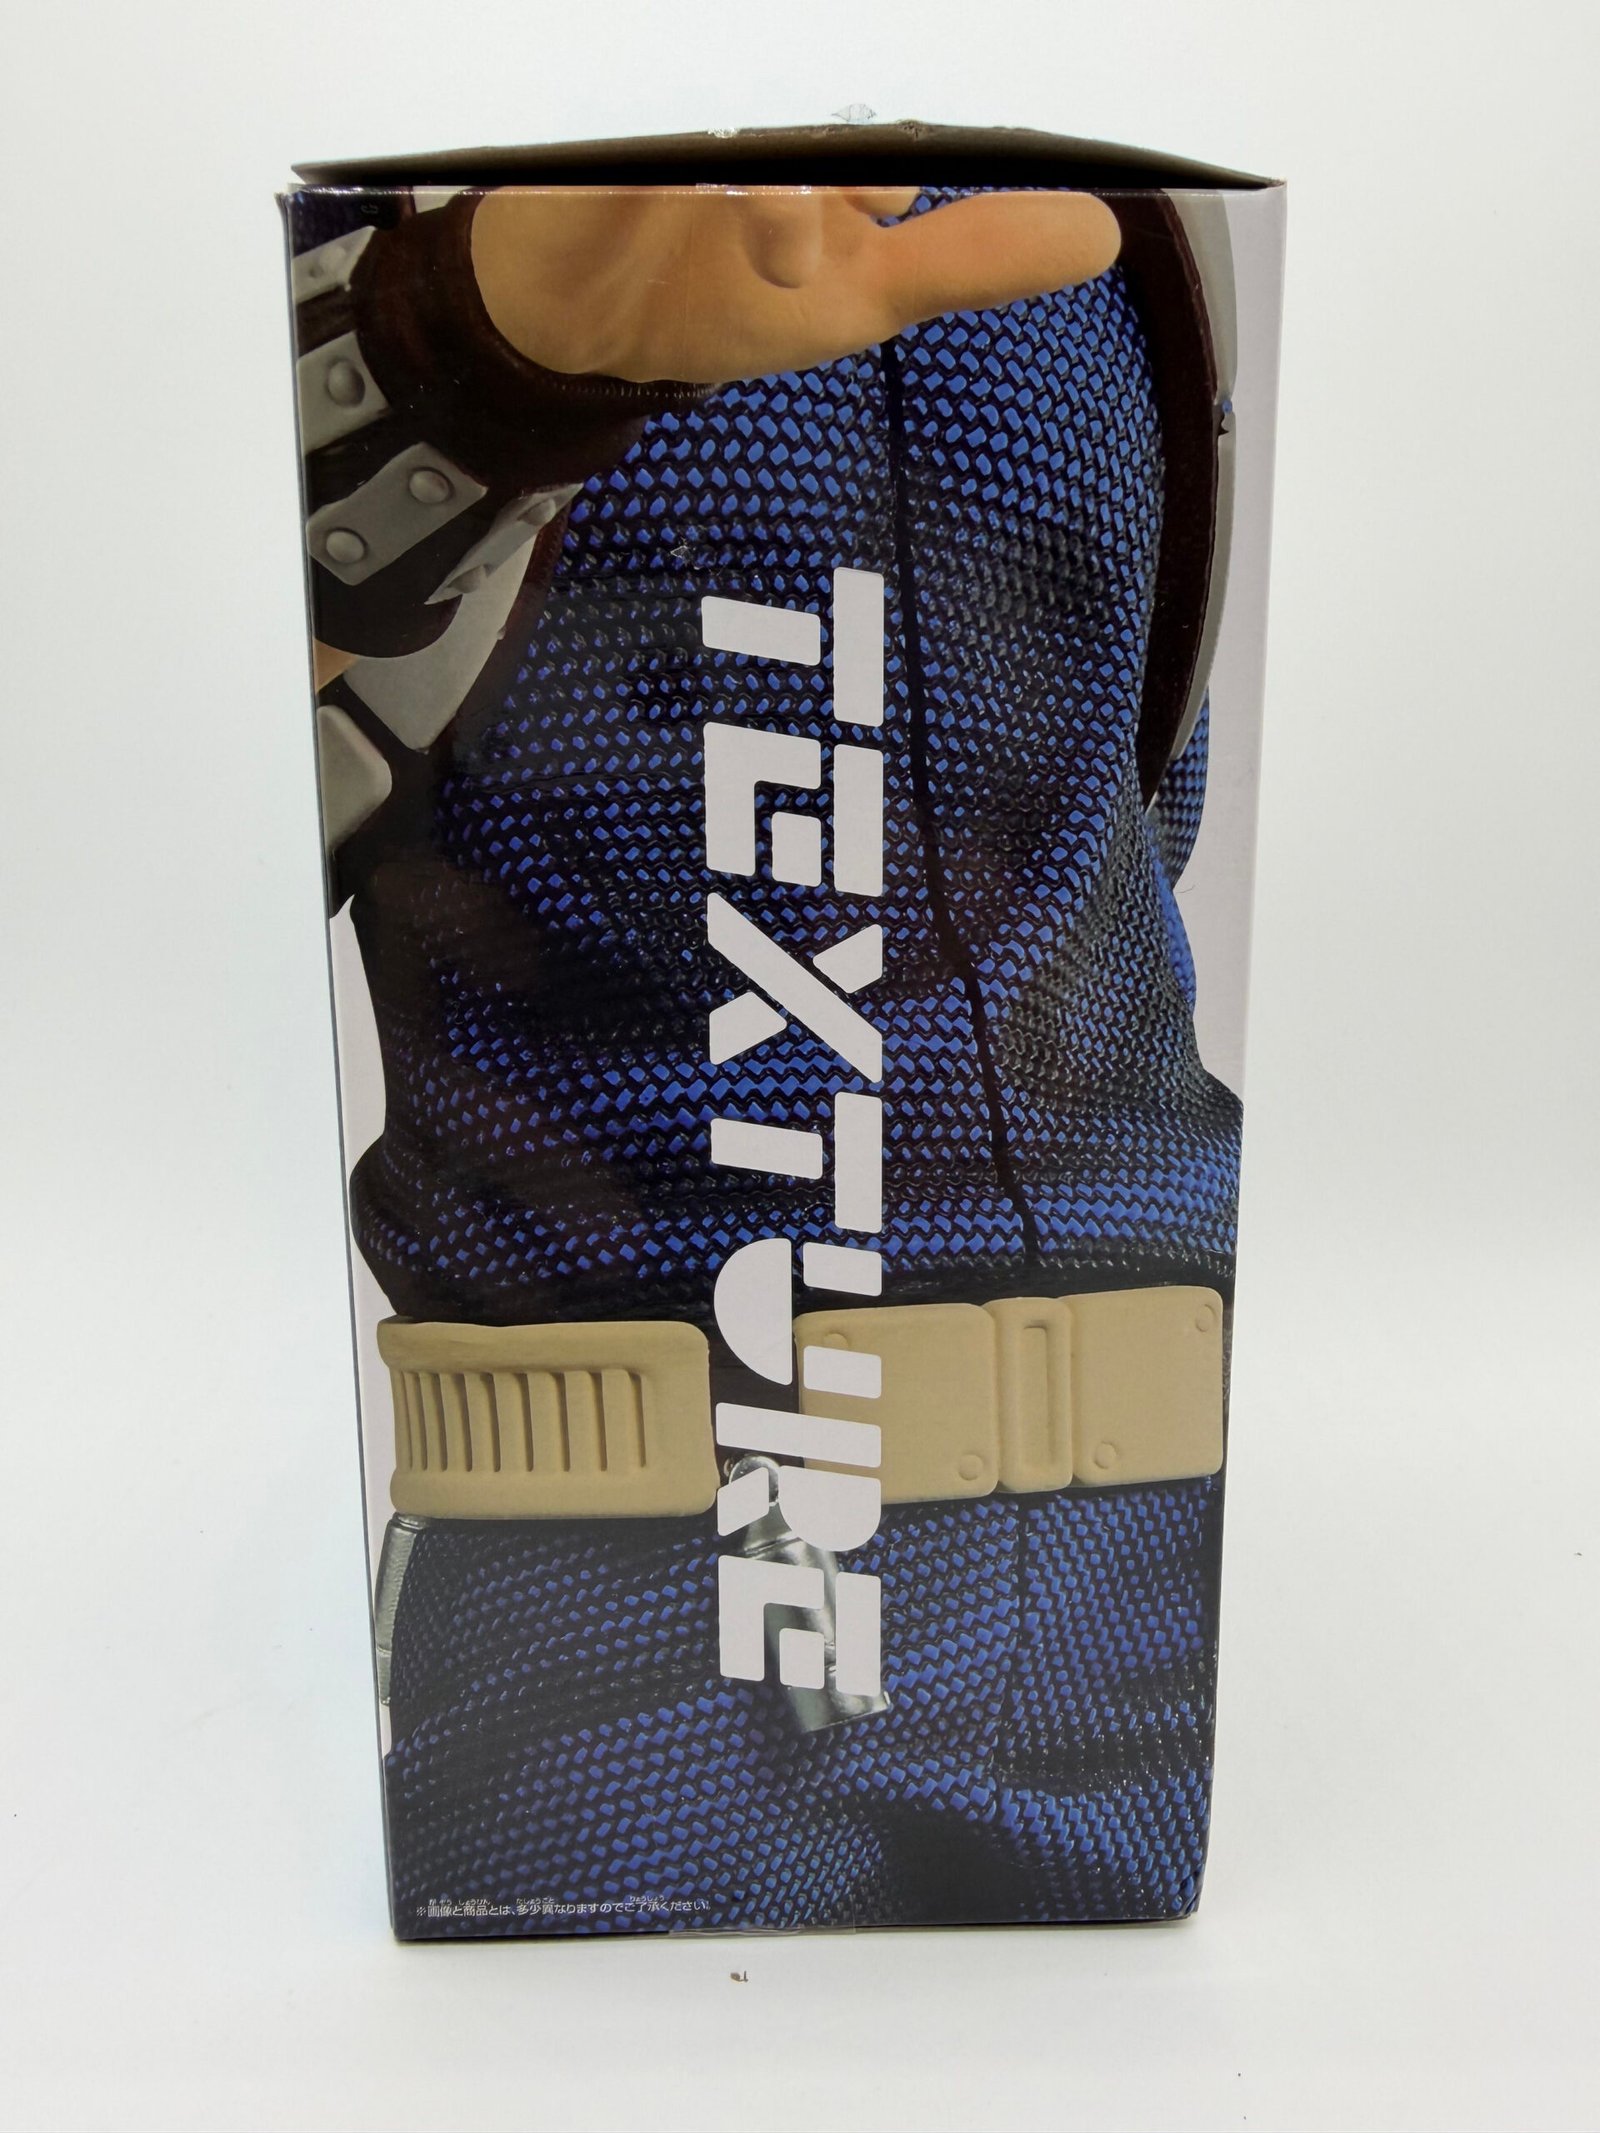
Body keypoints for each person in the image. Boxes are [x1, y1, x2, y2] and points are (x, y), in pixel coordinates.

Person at [288, 146, 1239, 1932]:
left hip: (1159, 1614)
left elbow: (1115, 907)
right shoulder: (387, 221)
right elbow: (109, 907)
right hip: (628, 1656)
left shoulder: (1115, 232)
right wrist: (455, 376)